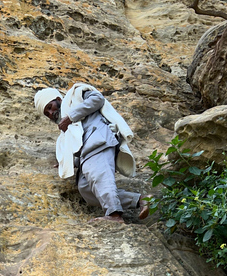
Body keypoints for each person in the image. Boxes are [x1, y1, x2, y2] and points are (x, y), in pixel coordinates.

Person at [34, 82, 150, 224]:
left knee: (101, 177)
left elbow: (97, 99)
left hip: (97, 141)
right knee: (86, 189)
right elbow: (77, 140)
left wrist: (71, 116)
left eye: (49, 108)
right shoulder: (65, 128)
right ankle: (139, 199)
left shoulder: (76, 95)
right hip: (86, 155)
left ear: (58, 99)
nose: (51, 113)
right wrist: (67, 162)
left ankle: (114, 215)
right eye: (47, 114)